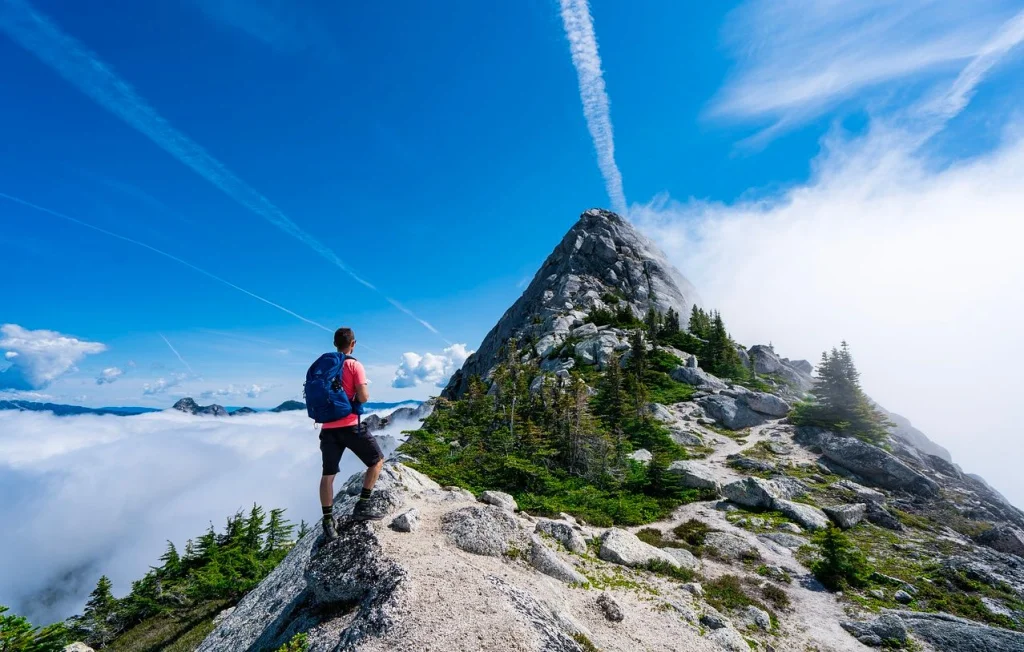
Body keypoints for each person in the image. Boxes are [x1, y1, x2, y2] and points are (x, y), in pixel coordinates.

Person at [319, 327, 385, 540]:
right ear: (353, 344)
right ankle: (362, 506)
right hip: (350, 425)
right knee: (377, 461)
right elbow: (363, 397)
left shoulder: (324, 367)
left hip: (328, 428)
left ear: (334, 344)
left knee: (328, 476)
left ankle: (328, 521)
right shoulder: (354, 365)